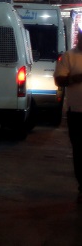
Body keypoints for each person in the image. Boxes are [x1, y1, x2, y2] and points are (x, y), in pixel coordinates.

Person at [54, 36, 82, 202]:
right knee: (79, 150)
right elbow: (59, 79)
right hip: (77, 112)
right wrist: (77, 78)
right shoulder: (69, 56)